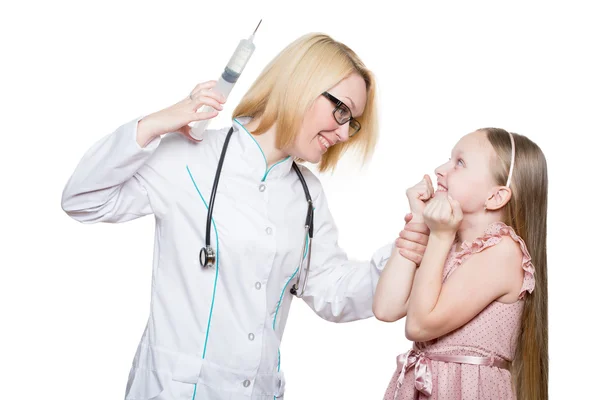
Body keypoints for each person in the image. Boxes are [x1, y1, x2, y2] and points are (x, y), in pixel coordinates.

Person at [61, 33, 429, 400]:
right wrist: (157, 123)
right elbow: (83, 198)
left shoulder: (307, 194)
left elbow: (334, 292)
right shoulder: (189, 157)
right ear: (302, 86)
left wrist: (409, 248)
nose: (345, 132)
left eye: (353, 122)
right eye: (342, 111)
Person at [374, 128, 548, 399]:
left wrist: (439, 238)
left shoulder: (503, 252)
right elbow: (386, 307)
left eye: (460, 163)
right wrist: (420, 222)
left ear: (495, 197)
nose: (440, 170)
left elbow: (418, 326)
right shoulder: (450, 243)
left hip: (468, 390)